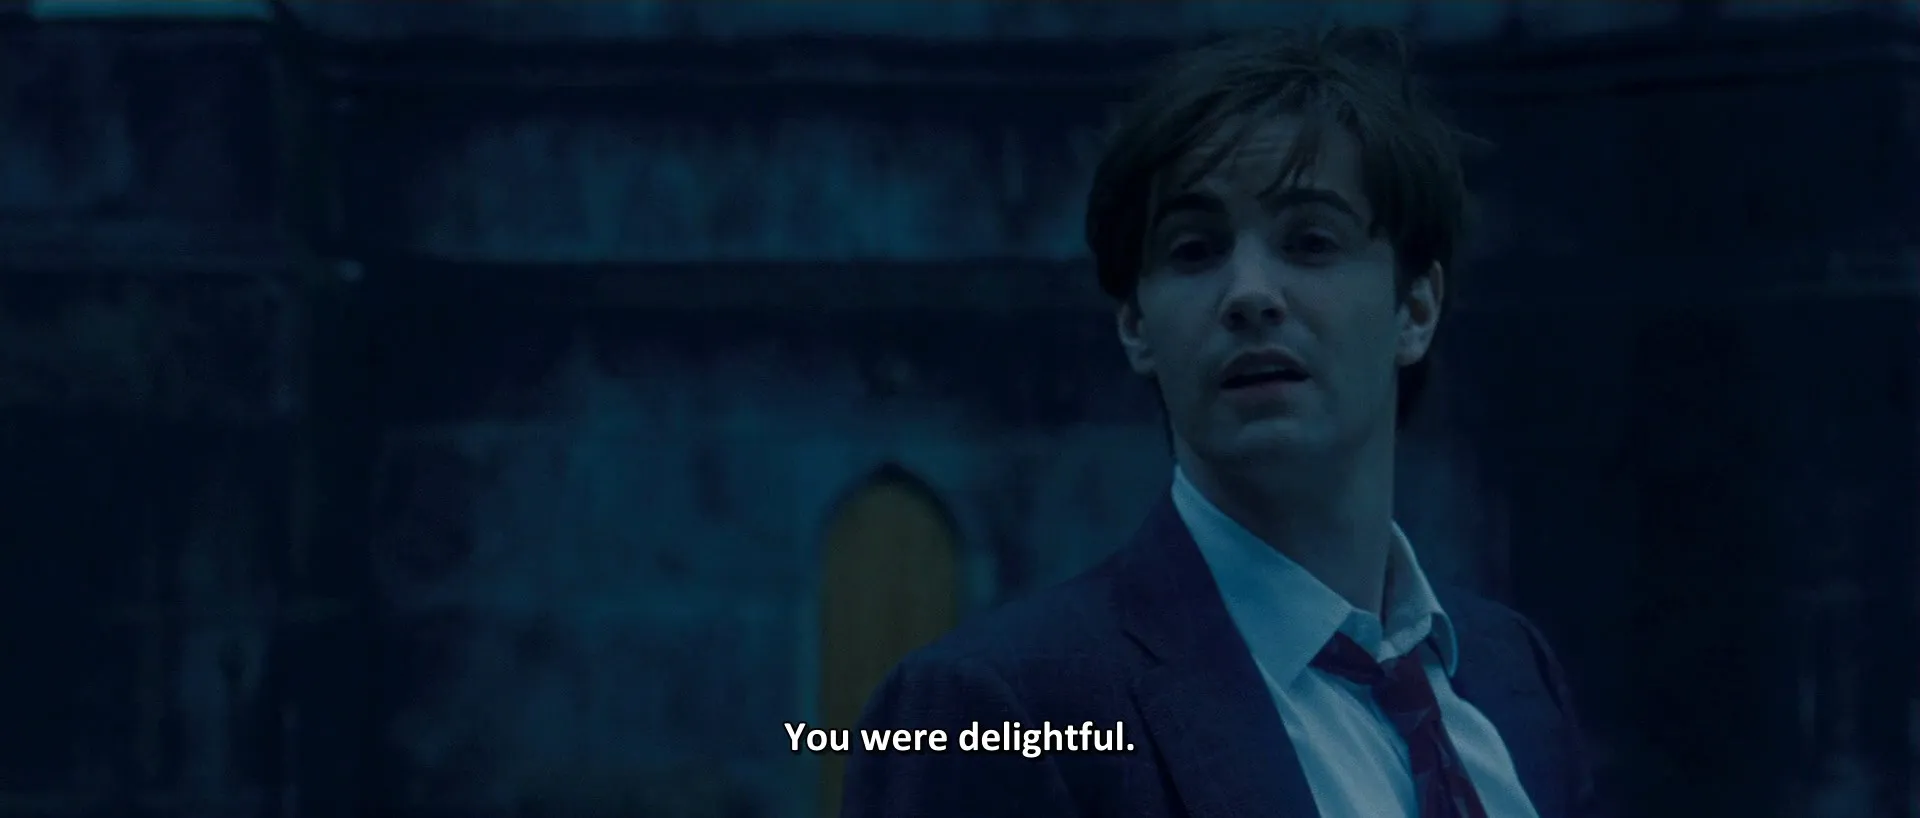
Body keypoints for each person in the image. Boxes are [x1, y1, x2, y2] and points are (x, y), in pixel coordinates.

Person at [839, 26, 1603, 818]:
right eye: (1194, 250)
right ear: (1136, 325)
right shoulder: (997, 707)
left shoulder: (1512, 672)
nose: (1250, 293)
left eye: (1311, 241)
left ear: (1414, 308)